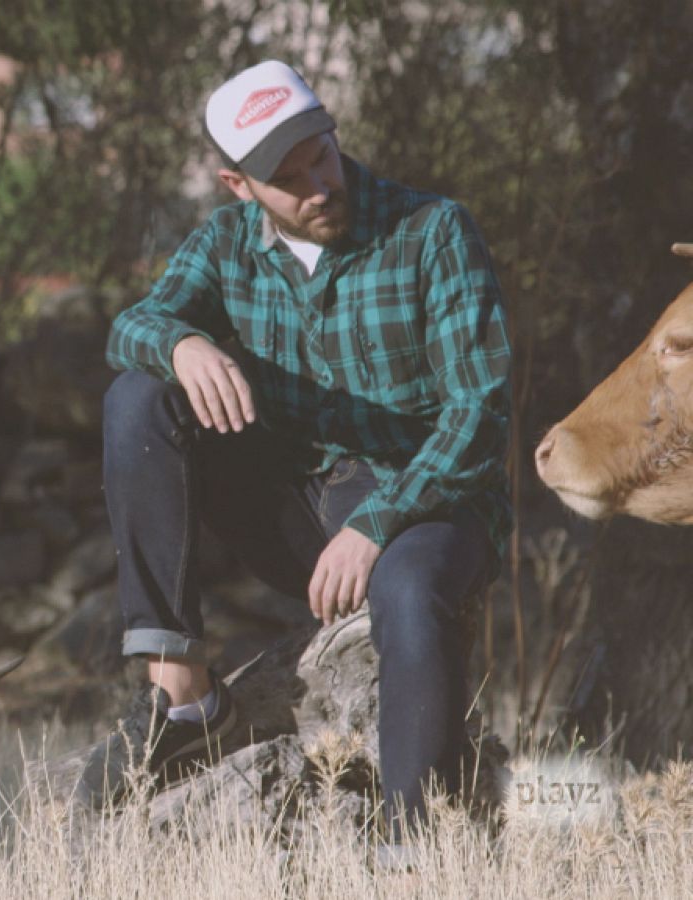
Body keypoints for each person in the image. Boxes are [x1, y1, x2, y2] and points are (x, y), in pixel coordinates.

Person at [74, 60, 511, 862]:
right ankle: (184, 696)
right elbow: (131, 325)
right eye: (288, 176)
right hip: (293, 508)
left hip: (423, 503)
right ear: (238, 186)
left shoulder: (433, 230)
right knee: (139, 396)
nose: (319, 185)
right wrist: (184, 343)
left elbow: (480, 412)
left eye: (322, 155)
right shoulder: (225, 242)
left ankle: (416, 851)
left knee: (408, 590)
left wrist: (377, 524)